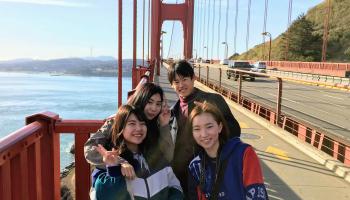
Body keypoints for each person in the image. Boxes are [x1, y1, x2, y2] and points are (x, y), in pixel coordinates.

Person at [165, 60, 241, 195]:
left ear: (194, 78)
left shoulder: (214, 100)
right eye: (176, 82)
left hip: (205, 173)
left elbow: (235, 130)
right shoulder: (172, 112)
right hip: (179, 178)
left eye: (185, 79)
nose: (181, 85)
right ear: (171, 85)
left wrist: (213, 113)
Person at [84, 82, 172, 198]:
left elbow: (168, 156)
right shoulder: (118, 120)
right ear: (141, 99)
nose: (154, 108)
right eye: (149, 102)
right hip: (112, 182)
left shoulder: (154, 124)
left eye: (158, 104)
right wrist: (118, 163)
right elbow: (90, 149)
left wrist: (164, 125)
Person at [94, 105, 183, 199]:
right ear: (121, 127)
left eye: (142, 123)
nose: (139, 128)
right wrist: (113, 170)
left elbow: (175, 185)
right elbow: (105, 196)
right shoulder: (110, 161)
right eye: (132, 123)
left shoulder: (156, 156)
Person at [187, 101, 268, 200]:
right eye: (197, 129)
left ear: (220, 127)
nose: (203, 134)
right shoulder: (195, 166)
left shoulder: (244, 154)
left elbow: (257, 195)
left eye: (209, 127)